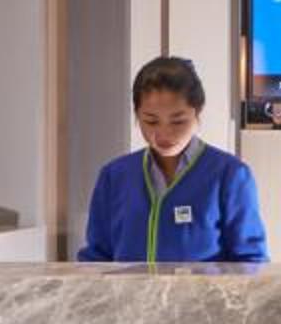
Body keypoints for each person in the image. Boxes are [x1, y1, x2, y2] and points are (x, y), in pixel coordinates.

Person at [79, 56, 269, 263]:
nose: (164, 134)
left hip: (204, 286)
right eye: (151, 121)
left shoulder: (229, 175)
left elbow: (251, 261)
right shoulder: (114, 176)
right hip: (128, 286)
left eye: (178, 121)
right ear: (137, 115)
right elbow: (95, 259)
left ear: (197, 112)